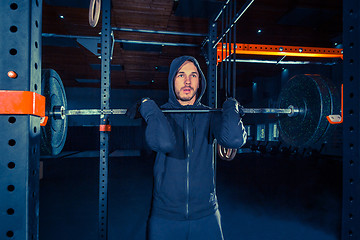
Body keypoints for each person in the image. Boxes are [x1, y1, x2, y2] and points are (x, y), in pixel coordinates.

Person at [127, 56, 247, 240]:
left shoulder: (210, 115)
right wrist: (148, 107)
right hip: (165, 216)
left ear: (200, 82)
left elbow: (234, 139)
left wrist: (231, 105)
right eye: (181, 75)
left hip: (206, 214)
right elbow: (164, 143)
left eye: (193, 75)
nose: (187, 81)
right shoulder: (161, 115)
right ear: (172, 81)